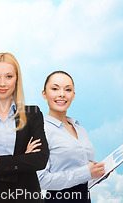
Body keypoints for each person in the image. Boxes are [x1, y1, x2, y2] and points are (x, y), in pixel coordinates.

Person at [0, 53, 49, 203]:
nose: (2, 83)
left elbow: (40, 159)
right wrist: (20, 162)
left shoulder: (33, 114)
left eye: (9, 77)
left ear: (17, 79)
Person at [36, 71, 105, 203]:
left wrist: (98, 173)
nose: (62, 94)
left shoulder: (80, 129)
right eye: (55, 89)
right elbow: (41, 180)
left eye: (68, 89)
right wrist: (85, 173)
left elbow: (82, 172)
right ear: (44, 94)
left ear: (73, 95)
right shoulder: (41, 130)